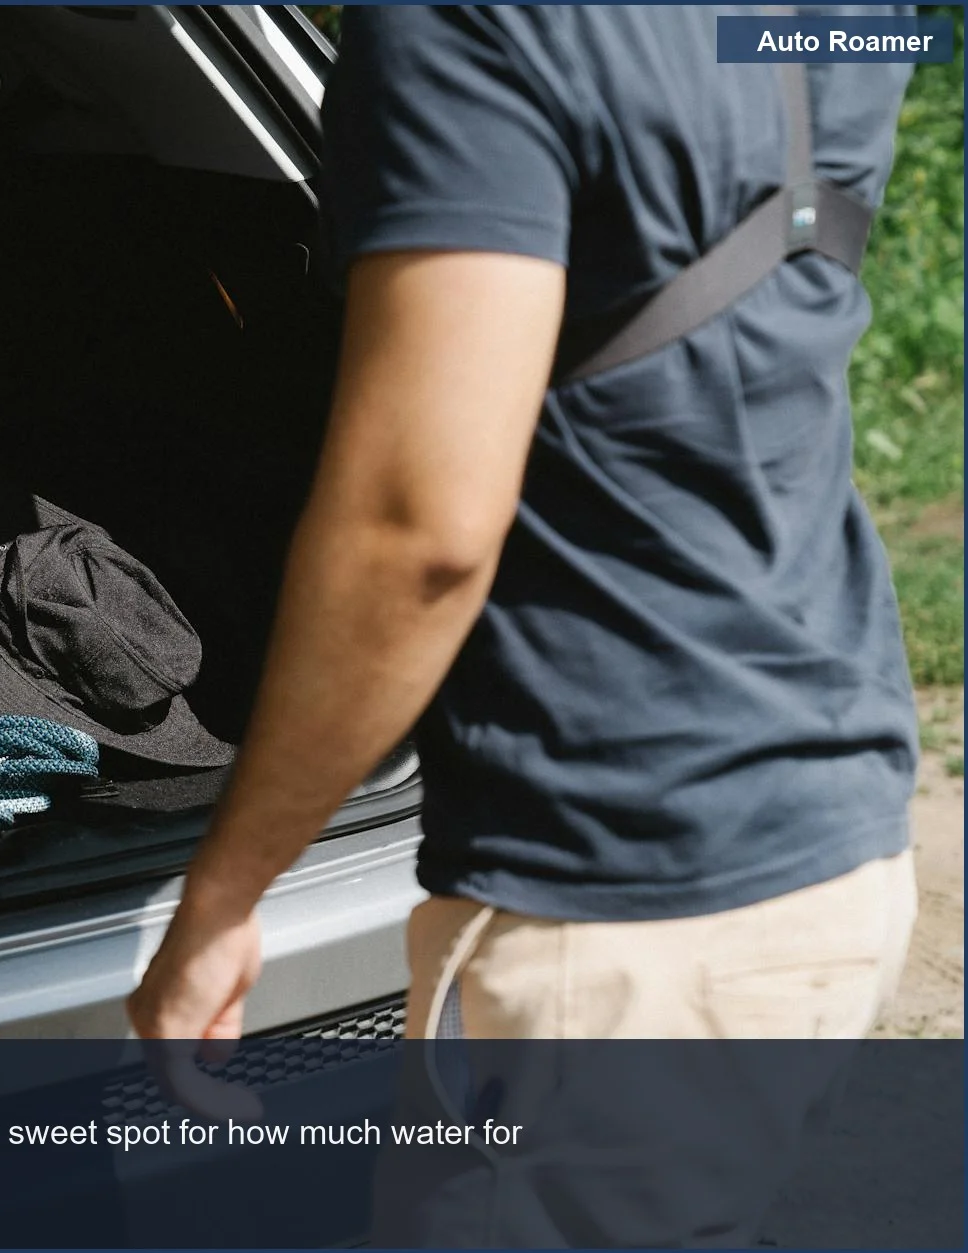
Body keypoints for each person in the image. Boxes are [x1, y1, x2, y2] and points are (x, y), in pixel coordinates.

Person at [128, 7, 920, 1051]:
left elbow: (420, 538)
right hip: (840, 816)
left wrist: (224, 896)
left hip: (622, 897)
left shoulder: (459, 20)